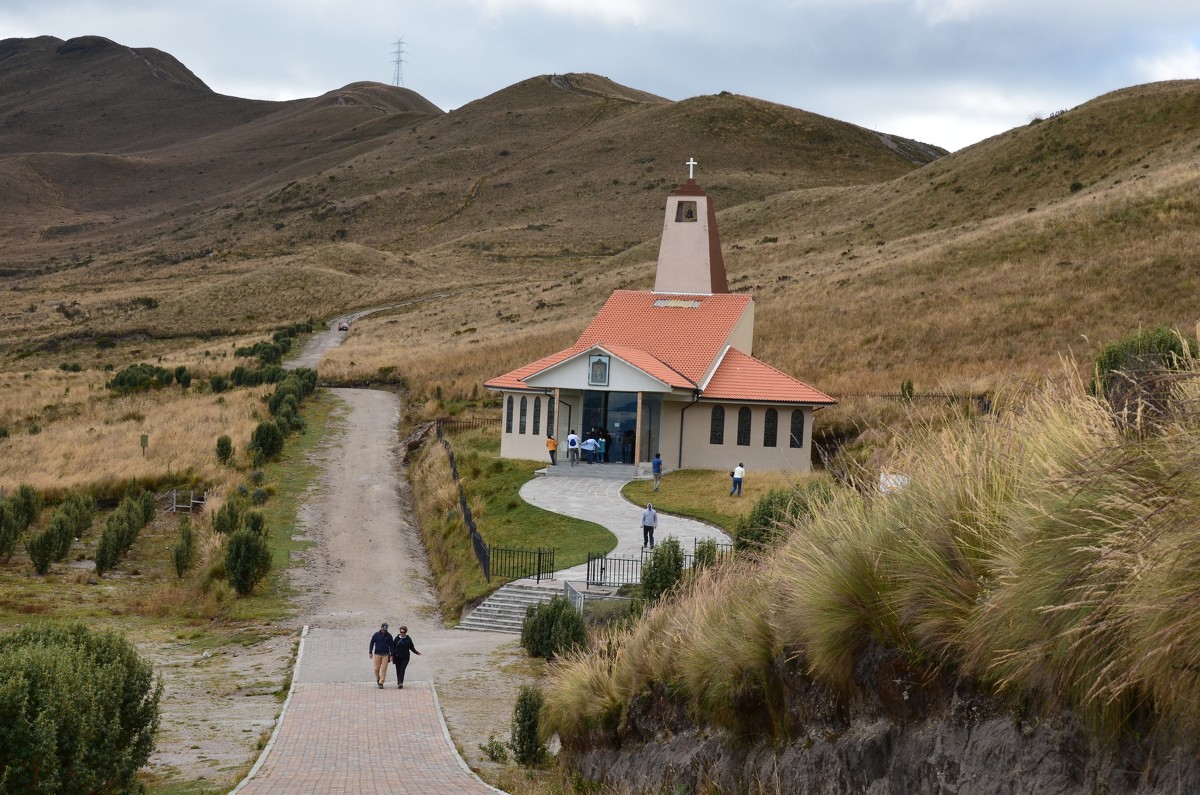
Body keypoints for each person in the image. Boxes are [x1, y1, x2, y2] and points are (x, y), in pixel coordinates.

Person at [368, 622, 393, 689]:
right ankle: (378, 679)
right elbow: (372, 643)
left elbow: (391, 646)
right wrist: (370, 652)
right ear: (381, 628)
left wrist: (391, 655)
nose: (384, 631)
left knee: (384, 669)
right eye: (383, 629)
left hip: (385, 655)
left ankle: (381, 682)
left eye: (385, 630)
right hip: (377, 654)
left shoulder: (389, 636)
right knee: (376, 669)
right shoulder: (376, 635)